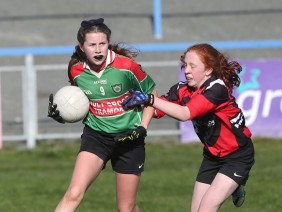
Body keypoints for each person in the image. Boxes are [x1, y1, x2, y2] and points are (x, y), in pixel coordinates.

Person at [121, 43, 255, 212]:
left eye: (193, 66)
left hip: (237, 156)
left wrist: (150, 99)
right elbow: (156, 111)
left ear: (208, 70)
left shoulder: (217, 89)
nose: (186, 70)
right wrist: (131, 104)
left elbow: (185, 113)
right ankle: (234, 186)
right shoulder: (181, 89)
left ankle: (236, 183)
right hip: (212, 156)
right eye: (185, 65)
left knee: (206, 208)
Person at [48, 18, 156, 212]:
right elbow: (78, 103)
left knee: (127, 207)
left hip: (129, 139)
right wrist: (62, 115)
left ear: (108, 44)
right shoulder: (76, 71)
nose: (98, 50)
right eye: (92, 45)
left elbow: (152, 96)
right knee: (73, 193)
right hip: (96, 137)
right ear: (82, 47)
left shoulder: (126, 67)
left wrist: (142, 128)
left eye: (102, 44)